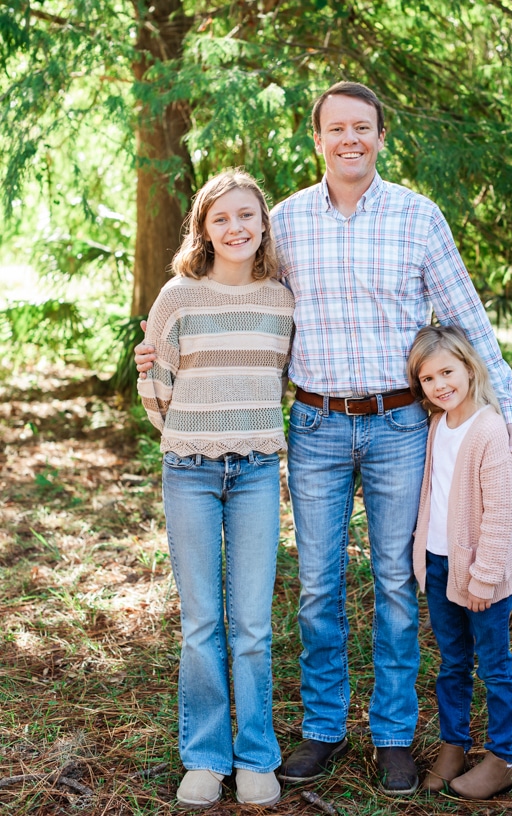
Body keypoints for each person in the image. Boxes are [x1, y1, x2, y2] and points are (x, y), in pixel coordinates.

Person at [137, 81, 512, 797]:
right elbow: (238, 302)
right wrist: (163, 352)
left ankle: (392, 736)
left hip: (399, 424)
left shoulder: (417, 217)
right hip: (312, 425)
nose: (349, 139)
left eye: (362, 128)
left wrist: (510, 406)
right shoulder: (284, 224)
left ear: (379, 136)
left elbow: (464, 316)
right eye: (335, 129)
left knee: (396, 586)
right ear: (316, 140)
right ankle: (321, 729)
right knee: (316, 587)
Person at [137, 170, 294, 811]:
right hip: (191, 473)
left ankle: (256, 755)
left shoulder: (282, 299)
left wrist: (245, 424)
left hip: (258, 471)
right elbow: (157, 385)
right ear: (203, 229)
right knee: (202, 622)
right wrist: (191, 431)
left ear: (263, 226)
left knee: (252, 625)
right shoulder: (178, 296)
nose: (236, 228)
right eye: (221, 218)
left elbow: (281, 378)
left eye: (247, 217)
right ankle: (204, 756)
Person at [408, 324, 512, 800]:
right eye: (427, 379)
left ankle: (502, 757)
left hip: (481, 573)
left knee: (493, 665)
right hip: (438, 565)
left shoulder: (489, 428)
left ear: (470, 369)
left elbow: (498, 512)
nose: (439, 385)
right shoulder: (438, 424)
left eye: (447, 372)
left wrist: (484, 577)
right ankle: (454, 746)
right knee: (452, 663)